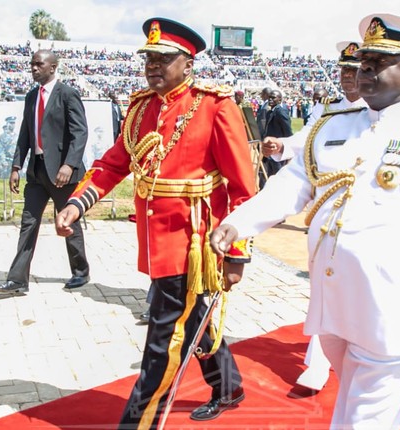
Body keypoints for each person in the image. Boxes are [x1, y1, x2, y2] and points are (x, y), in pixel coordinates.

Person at [209, 13, 400, 429]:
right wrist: (242, 222)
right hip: (335, 303)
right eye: (365, 61)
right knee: (351, 410)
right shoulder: (332, 126)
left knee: (367, 420)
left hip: (397, 309)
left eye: (381, 62)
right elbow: (293, 183)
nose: (366, 69)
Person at [54, 17, 256, 427]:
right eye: (149, 58)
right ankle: (229, 386)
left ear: (188, 63)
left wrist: (237, 254)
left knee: (163, 340)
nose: (153, 66)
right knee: (194, 318)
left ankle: (138, 422)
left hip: (195, 243)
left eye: (164, 59)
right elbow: (114, 163)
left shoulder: (215, 105)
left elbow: (243, 188)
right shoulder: (142, 107)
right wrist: (78, 203)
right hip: (155, 241)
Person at [0, 49, 90, 295]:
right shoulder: (31, 97)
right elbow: (26, 133)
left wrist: (69, 164)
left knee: (69, 221)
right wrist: (16, 166)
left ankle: (80, 272)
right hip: (36, 172)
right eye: (32, 64)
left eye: (39, 64)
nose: (34, 68)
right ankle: (17, 280)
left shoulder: (68, 94)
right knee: (28, 222)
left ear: (53, 66)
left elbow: (80, 132)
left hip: (62, 173)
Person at [263, 41, 365, 165]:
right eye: (345, 68)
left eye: (354, 69)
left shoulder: (375, 108)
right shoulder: (326, 107)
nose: (348, 74)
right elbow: (307, 136)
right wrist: (281, 145)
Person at [258, 89, 292, 188]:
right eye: (270, 97)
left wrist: (287, 148)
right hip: (269, 148)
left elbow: (288, 131)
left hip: (277, 148)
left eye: (273, 98)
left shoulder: (280, 112)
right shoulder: (270, 112)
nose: (270, 99)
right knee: (267, 173)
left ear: (280, 100)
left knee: (278, 174)